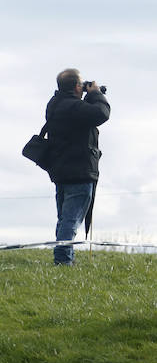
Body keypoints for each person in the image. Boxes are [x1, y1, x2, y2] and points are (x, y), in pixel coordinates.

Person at [44, 68, 111, 266]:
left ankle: (65, 257)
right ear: (76, 86)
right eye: (81, 85)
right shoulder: (72, 107)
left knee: (64, 218)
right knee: (71, 220)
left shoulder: (55, 104)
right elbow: (101, 113)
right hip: (79, 171)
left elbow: (79, 117)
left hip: (61, 171)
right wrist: (96, 94)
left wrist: (87, 96)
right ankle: (63, 260)